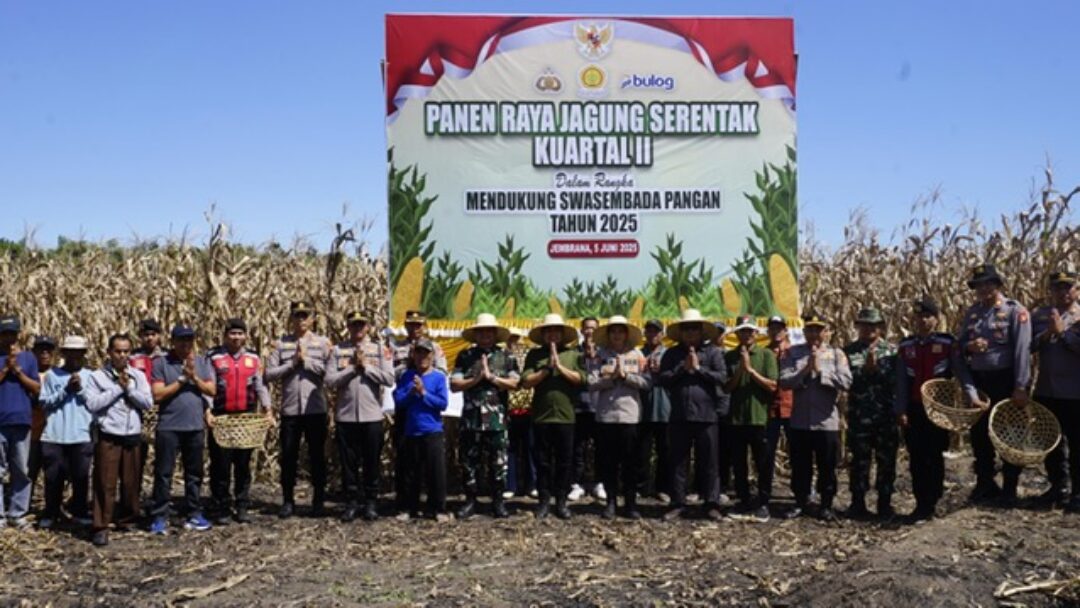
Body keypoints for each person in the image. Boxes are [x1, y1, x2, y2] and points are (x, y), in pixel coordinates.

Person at [895, 297, 976, 522]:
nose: (923, 321)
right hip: (914, 408)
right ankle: (921, 503)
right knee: (916, 457)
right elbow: (901, 382)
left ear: (936, 319)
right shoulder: (906, 346)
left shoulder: (948, 343)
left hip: (938, 409)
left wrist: (972, 396)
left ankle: (933, 500)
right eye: (919, 316)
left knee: (934, 455)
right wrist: (900, 410)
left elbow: (961, 372)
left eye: (927, 316)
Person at [957, 264, 1032, 506]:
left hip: (1006, 380)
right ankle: (985, 483)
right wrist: (969, 347)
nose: (982, 289)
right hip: (980, 381)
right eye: (978, 285)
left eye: (987, 284)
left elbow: (1022, 351)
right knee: (980, 435)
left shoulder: (1014, 311)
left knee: (1009, 434)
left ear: (998, 285)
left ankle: (1010, 487)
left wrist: (1020, 386)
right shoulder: (973, 313)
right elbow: (959, 347)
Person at [658, 309, 729, 521]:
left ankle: (711, 503)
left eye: (694, 329)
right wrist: (683, 368)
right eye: (686, 329)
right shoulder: (672, 354)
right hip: (679, 415)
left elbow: (722, 377)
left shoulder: (713, 352)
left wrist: (699, 369)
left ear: (701, 332)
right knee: (678, 461)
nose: (690, 332)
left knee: (710, 462)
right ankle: (678, 503)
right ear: (680, 332)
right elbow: (663, 379)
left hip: (707, 416)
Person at [780, 314, 852, 521]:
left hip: (826, 422)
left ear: (826, 332)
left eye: (818, 330)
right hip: (800, 421)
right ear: (804, 332)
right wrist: (805, 370)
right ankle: (800, 502)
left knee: (827, 466)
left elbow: (846, 382)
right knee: (800, 465)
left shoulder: (836, 354)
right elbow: (784, 381)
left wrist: (821, 373)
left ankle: (826, 504)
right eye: (810, 330)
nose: (814, 334)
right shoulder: (793, 353)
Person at [84, 334, 153, 546]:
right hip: (109, 435)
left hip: (131, 434)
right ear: (109, 352)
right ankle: (101, 525)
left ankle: (127, 518)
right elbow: (92, 404)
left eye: (126, 351)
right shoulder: (97, 377)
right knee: (105, 482)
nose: (122, 355)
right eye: (118, 351)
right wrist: (117, 389)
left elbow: (147, 402)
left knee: (131, 481)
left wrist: (129, 389)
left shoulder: (138, 376)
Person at [325, 311, 394, 522]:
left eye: (361, 325)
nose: (358, 329)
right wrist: (353, 369)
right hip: (346, 416)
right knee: (349, 464)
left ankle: (371, 502)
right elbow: (330, 380)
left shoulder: (380, 350)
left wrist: (367, 367)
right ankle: (351, 502)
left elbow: (389, 379)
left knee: (371, 462)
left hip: (371, 416)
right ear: (348, 327)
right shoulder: (338, 350)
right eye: (354, 325)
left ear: (368, 327)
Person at [265, 300, 332, 518]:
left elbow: (330, 374)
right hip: (291, 410)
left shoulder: (323, 343)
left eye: (305, 315)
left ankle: (318, 500)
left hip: (315, 409)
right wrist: (292, 363)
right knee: (288, 456)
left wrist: (307, 362)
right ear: (291, 318)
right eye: (297, 315)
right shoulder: (280, 344)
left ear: (312, 319)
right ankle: (287, 501)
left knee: (317, 456)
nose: (301, 319)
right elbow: (269, 374)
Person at [451, 313, 520, 519]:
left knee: (498, 462)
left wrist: (492, 378)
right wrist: (476, 379)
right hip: (471, 419)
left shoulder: (506, 356)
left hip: (497, 420)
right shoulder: (465, 356)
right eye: (481, 332)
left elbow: (516, 383)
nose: (485, 335)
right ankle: (471, 501)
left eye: (489, 332)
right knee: (469, 462)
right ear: (476, 335)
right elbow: (455, 384)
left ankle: (498, 502)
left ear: (495, 334)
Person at [149, 324, 216, 534]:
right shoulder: (161, 363)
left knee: (194, 473)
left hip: (195, 426)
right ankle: (160, 516)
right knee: (164, 473)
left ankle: (194, 513)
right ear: (173, 341)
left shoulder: (201, 362)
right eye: (181, 339)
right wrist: (182, 380)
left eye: (189, 339)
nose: (186, 344)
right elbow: (157, 395)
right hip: (169, 426)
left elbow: (212, 390)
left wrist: (194, 377)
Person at [205, 318, 272, 525]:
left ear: (245, 336)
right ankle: (222, 506)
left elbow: (260, 386)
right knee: (221, 464)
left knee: (243, 463)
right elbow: (209, 385)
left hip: (246, 417)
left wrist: (268, 409)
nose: (236, 337)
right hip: (221, 416)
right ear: (225, 335)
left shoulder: (253, 357)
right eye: (232, 333)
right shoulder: (214, 356)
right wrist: (207, 411)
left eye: (240, 333)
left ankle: (242, 504)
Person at [522, 314, 584, 520]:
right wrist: (547, 369)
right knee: (542, 462)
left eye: (556, 330)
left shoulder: (573, 355)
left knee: (564, 462)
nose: (552, 334)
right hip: (541, 416)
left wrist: (560, 367)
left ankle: (561, 502)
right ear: (543, 334)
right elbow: (526, 381)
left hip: (566, 417)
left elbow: (581, 379)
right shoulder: (535, 355)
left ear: (562, 334)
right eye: (548, 330)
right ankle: (543, 501)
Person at [1029, 271, 1080, 512]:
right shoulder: (1040, 316)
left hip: (1075, 392)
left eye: (1068, 287)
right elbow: (1028, 346)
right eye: (1058, 288)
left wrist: (1062, 334)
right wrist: (1047, 333)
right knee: (1051, 443)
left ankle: (1078, 492)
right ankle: (1058, 487)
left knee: (1077, 444)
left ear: (1077, 290)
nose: (1063, 292)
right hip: (1046, 390)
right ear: (1050, 291)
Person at [843, 307, 899, 519]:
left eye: (873, 325)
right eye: (864, 325)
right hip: (859, 415)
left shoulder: (892, 351)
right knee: (859, 461)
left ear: (880, 327)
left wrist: (878, 370)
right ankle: (857, 503)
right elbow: (845, 380)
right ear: (858, 327)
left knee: (887, 461)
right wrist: (864, 371)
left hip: (886, 415)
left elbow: (897, 381)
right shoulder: (849, 351)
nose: (868, 329)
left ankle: (885, 504)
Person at [590, 316, 649, 519]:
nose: (616, 335)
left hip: (629, 416)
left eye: (620, 331)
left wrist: (626, 377)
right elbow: (591, 382)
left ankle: (630, 504)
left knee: (630, 462)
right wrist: (611, 379)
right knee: (609, 463)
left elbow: (646, 382)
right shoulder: (599, 356)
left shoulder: (637, 354)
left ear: (626, 334)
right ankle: (611, 502)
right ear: (608, 335)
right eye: (613, 331)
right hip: (606, 416)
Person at [388, 310, 447, 513]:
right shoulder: (396, 347)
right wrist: (408, 371)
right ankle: (406, 503)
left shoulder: (435, 347)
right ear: (405, 326)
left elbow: (441, 372)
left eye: (419, 325)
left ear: (425, 326)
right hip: (406, 408)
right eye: (411, 325)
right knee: (406, 461)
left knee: (433, 465)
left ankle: (435, 506)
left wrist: (424, 388)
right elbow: (390, 374)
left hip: (428, 413)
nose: (415, 328)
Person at [723, 315, 778, 523]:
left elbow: (772, 385)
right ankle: (743, 499)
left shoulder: (766, 355)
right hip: (737, 418)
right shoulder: (730, 356)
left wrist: (751, 371)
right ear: (737, 334)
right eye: (742, 331)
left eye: (749, 331)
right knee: (739, 463)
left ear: (756, 333)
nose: (746, 335)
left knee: (763, 462)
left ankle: (763, 502)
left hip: (760, 418)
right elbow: (727, 387)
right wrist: (740, 370)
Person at [37, 336, 95, 529]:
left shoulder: (91, 376)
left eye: (78, 352)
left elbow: (94, 403)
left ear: (84, 354)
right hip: (55, 435)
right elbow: (44, 402)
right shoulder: (52, 375)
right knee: (53, 478)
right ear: (64, 353)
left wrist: (79, 390)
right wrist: (66, 390)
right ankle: (51, 513)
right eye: (70, 352)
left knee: (81, 477)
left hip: (81, 434)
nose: (74, 356)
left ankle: (79, 512)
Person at [0, 314, 41, 530]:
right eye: (4, 334)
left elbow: (36, 388)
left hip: (21, 421)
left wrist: (17, 372)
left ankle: (17, 513)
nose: (8, 338)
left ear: (18, 335)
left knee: (21, 470)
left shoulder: (28, 358)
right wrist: (5, 369)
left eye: (12, 334)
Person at [570, 316, 605, 503]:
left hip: (600, 407)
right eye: (587, 328)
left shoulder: (605, 352)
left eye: (593, 328)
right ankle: (577, 484)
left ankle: (599, 482)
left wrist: (596, 359)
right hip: (579, 406)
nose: (590, 331)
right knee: (578, 448)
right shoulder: (574, 352)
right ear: (582, 330)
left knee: (601, 448)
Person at [636, 319, 671, 502]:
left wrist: (661, 371)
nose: (652, 335)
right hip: (642, 410)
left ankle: (663, 488)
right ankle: (641, 487)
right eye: (649, 331)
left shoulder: (669, 354)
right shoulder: (638, 353)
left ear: (662, 334)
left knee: (665, 452)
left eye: (656, 332)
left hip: (665, 409)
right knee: (642, 451)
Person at [761, 316, 793, 515]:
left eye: (779, 328)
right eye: (772, 328)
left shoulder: (794, 352)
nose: (776, 332)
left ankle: (802, 493)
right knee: (766, 455)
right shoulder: (764, 353)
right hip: (770, 410)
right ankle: (764, 497)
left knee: (797, 453)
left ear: (786, 331)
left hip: (792, 409)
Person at [505, 328, 536, 499]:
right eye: (511, 339)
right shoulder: (502, 358)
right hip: (508, 410)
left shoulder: (529, 356)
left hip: (529, 409)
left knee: (531, 449)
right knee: (510, 449)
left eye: (516, 338)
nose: (514, 342)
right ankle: (510, 485)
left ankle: (532, 485)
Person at [28, 336, 56, 505]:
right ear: (34, 352)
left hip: (53, 434)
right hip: (32, 433)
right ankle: (24, 506)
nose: (45, 353)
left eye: (48, 350)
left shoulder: (58, 375)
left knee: (53, 475)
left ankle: (52, 507)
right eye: (41, 350)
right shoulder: (28, 375)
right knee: (29, 472)